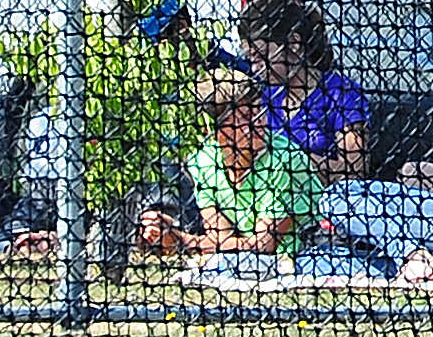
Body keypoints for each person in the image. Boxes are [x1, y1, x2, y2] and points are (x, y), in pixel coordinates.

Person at [138, 70, 322, 260]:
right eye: (243, 116)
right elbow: (219, 237)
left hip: (311, 252)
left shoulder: (286, 160)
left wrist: (181, 240)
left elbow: (263, 245)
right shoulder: (204, 161)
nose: (257, 121)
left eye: (258, 109)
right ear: (212, 130)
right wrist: (165, 233)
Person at [238, 0, 372, 186]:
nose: (255, 68)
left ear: (294, 43)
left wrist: (290, 158)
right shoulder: (264, 98)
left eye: (262, 56)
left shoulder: (341, 94)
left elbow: (354, 172)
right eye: (251, 59)